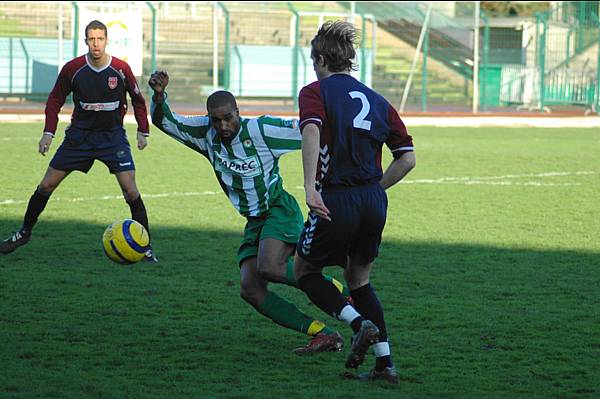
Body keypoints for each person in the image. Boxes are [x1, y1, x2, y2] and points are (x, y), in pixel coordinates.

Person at [148, 70, 350, 354]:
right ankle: (324, 333)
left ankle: (340, 293)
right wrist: (159, 96)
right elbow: (166, 121)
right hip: (255, 221)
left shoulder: (262, 130)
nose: (223, 125)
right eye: (216, 120)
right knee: (250, 289)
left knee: (269, 266)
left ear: (238, 112)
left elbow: (309, 130)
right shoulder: (205, 134)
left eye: (228, 117)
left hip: (279, 209)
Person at [293, 21, 416, 383]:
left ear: (319, 59)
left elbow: (311, 130)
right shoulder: (378, 101)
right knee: (358, 280)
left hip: (336, 198)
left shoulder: (315, 92)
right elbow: (407, 158)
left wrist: (309, 187)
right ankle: (385, 365)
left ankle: (359, 324)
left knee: (305, 271)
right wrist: (375, 189)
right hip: (374, 201)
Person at [0, 20, 157, 262]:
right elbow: (54, 100)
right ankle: (24, 232)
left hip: (112, 138)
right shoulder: (73, 69)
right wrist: (48, 132)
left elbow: (137, 99)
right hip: (79, 137)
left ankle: (145, 248)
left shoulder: (120, 69)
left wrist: (142, 130)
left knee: (130, 189)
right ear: (85, 42)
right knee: (46, 186)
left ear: (107, 41)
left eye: (100, 39)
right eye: (91, 39)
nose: (96, 44)